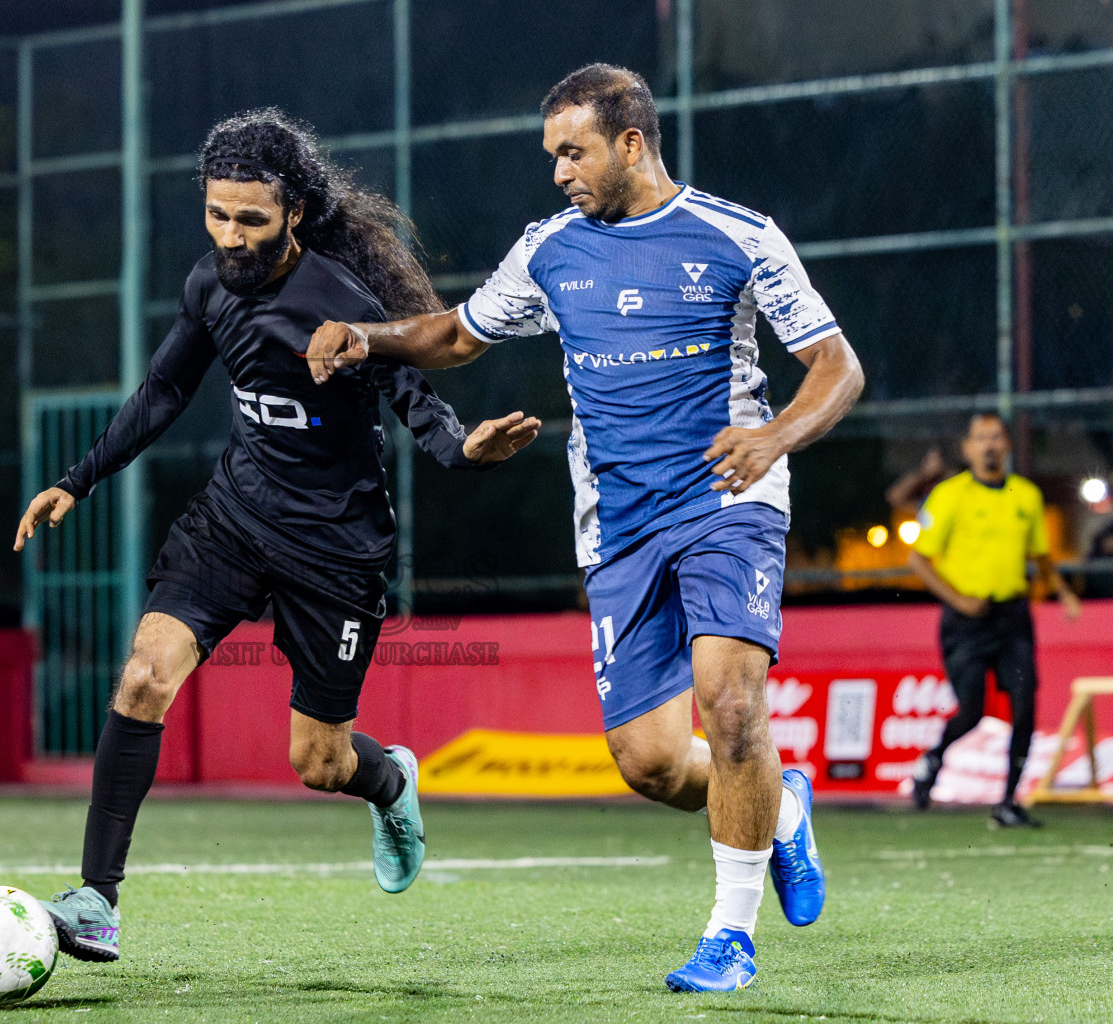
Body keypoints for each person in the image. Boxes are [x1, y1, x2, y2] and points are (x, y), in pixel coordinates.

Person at [307, 64, 865, 992]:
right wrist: (367, 338)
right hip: (616, 523)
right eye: (552, 155)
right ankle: (786, 808)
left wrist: (773, 438)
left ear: (632, 143)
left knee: (731, 703)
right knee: (648, 762)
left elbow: (836, 369)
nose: (560, 170)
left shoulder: (739, 236)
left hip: (730, 500)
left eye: (575, 152)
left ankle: (730, 936)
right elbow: (456, 336)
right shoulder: (549, 249)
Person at [13, 109, 540, 965]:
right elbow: (161, 393)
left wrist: (467, 451)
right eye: (217, 214)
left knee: (319, 761)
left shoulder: (344, 303)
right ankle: (96, 901)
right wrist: (76, 480)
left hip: (336, 551)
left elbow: (421, 409)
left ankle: (391, 780)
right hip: (233, 520)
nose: (230, 235)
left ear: (293, 212)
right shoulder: (209, 285)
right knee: (145, 675)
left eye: (250, 219)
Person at [908, 412, 1081, 826]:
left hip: (1012, 616)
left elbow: (1040, 555)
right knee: (972, 711)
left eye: (996, 437)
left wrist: (1062, 590)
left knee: (1025, 707)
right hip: (965, 621)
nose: (989, 444)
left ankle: (1008, 803)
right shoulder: (950, 495)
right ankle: (932, 759)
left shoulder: (1026, 496)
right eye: (980, 438)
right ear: (967, 448)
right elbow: (918, 558)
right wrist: (959, 600)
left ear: (1006, 446)